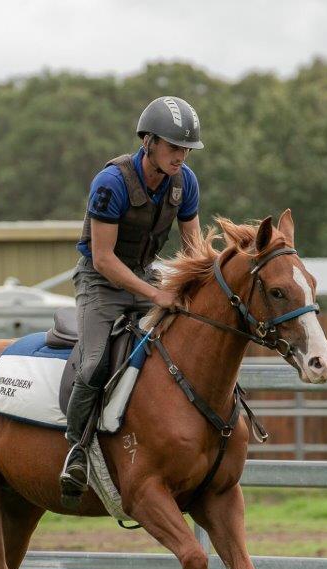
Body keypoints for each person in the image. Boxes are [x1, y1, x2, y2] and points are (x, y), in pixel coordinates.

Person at [60, 96, 204, 508]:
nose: (182, 156)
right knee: (94, 363)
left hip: (146, 274)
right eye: (174, 147)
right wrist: (158, 294)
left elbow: (193, 246)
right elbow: (104, 260)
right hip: (100, 282)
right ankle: (77, 450)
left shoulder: (185, 182)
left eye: (187, 149)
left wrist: (191, 288)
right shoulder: (112, 183)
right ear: (149, 142)